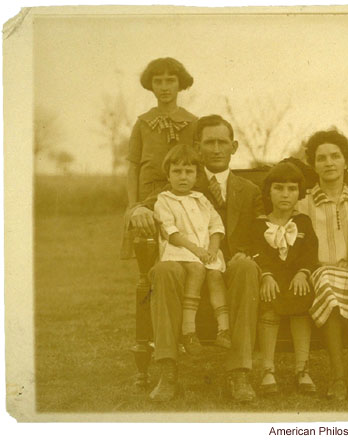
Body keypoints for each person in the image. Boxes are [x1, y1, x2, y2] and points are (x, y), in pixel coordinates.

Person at [129, 115, 263, 402]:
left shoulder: (250, 191)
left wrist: (246, 252)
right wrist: (137, 211)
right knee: (163, 270)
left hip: (227, 266)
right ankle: (168, 371)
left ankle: (238, 373)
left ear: (234, 146)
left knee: (247, 267)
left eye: (222, 142)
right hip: (185, 263)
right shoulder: (183, 177)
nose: (216, 149)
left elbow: (260, 232)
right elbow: (145, 205)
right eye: (209, 142)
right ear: (198, 147)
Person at [296, 129, 348, 402]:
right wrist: (322, 266)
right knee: (331, 287)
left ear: (347, 161)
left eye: (335, 156)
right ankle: (338, 377)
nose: (329, 163)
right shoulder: (304, 203)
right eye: (321, 158)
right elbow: (302, 247)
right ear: (314, 164)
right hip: (320, 271)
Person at [153, 144, 230, 355]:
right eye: (177, 171)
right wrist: (197, 250)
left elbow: (216, 225)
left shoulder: (201, 199)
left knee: (215, 275)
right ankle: (189, 330)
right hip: (181, 250)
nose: (183, 177)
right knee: (197, 269)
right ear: (168, 175)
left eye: (189, 172)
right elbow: (172, 232)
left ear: (197, 176)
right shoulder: (164, 200)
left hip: (206, 251)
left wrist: (213, 249)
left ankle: (224, 329)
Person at [250, 161, 319, 396]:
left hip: (296, 278)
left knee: (302, 299)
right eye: (279, 188)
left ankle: (302, 369)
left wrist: (303, 273)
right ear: (269, 191)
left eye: (291, 189)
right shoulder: (259, 223)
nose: (285, 194)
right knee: (268, 302)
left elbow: (310, 253)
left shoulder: (303, 223)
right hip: (271, 279)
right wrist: (266, 276)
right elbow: (256, 252)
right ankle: (268, 369)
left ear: (299, 193)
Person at [127, 57, 197, 207]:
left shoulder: (193, 123)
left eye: (170, 80)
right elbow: (133, 169)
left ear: (180, 84)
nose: (164, 87)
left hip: (184, 197)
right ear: (151, 86)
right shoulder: (142, 123)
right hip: (148, 197)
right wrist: (133, 206)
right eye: (158, 81)